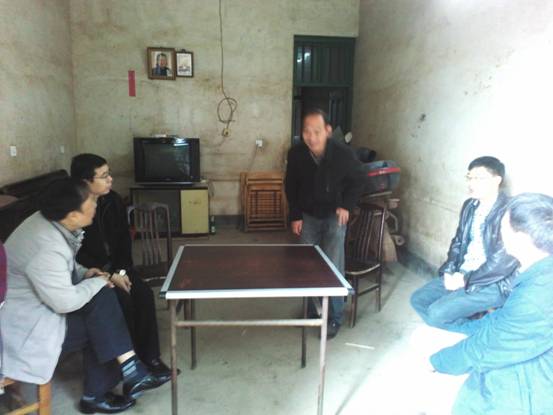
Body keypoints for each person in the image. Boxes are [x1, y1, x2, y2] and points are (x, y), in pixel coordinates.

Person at [0, 178, 167, 414]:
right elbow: (64, 301)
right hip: (28, 327)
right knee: (100, 319)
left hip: (43, 307)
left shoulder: (49, 222)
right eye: (91, 202)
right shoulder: (46, 244)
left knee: (105, 298)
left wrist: (89, 273)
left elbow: (64, 267)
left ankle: (125, 374)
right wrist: (99, 281)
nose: (96, 205)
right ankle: (108, 385)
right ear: (72, 215)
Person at [430, 193, 553, 414]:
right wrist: (466, 330)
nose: (498, 234)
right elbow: (505, 320)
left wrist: (437, 362)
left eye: (502, 228)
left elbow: (487, 347)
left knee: (478, 394)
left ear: (521, 239)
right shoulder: (540, 269)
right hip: (525, 333)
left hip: (543, 375)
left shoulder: (537, 294)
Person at [71, 154, 172, 379]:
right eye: (104, 176)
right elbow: (78, 256)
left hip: (119, 268)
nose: (110, 179)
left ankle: (151, 357)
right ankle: (129, 363)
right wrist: (107, 275)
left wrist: (121, 271)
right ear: (85, 181)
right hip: (92, 274)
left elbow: (124, 242)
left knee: (143, 294)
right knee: (122, 301)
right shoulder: (73, 210)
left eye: (109, 174)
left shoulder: (113, 200)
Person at [410, 156, 519, 331]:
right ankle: (478, 322)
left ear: (496, 180)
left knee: (436, 314)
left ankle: (487, 332)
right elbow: (458, 241)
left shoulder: (509, 211)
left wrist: (465, 280)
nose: (471, 183)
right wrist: (449, 270)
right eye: (469, 177)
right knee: (418, 299)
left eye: (478, 178)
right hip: (463, 272)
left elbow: (504, 261)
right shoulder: (470, 205)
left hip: (494, 282)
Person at [284, 108, 364, 339]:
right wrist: (295, 215)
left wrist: (346, 205)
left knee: (333, 266)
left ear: (328, 131)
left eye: (317, 131)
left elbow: (359, 180)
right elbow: (291, 185)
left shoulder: (343, 154)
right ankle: (313, 311)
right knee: (307, 265)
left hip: (334, 216)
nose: (311, 137)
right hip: (308, 216)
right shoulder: (297, 154)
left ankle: (334, 317)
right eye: (306, 132)